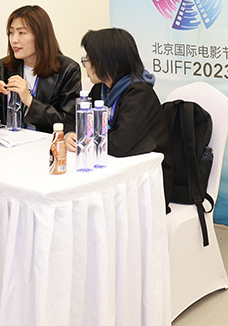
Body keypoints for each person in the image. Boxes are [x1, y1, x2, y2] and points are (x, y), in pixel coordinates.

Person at [74, 28, 173, 202]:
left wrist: (85, 138)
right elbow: (74, 121)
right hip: (116, 173)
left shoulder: (139, 94)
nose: (86, 66)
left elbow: (120, 145)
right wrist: (71, 134)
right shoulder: (100, 89)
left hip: (147, 185)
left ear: (105, 62)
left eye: (88, 60)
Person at [0, 5, 81, 132]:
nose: (14, 40)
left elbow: (69, 123)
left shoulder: (68, 70)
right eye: (11, 32)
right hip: (12, 140)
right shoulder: (5, 66)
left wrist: (29, 100)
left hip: (47, 142)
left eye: (21, 33)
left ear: (40, 36)